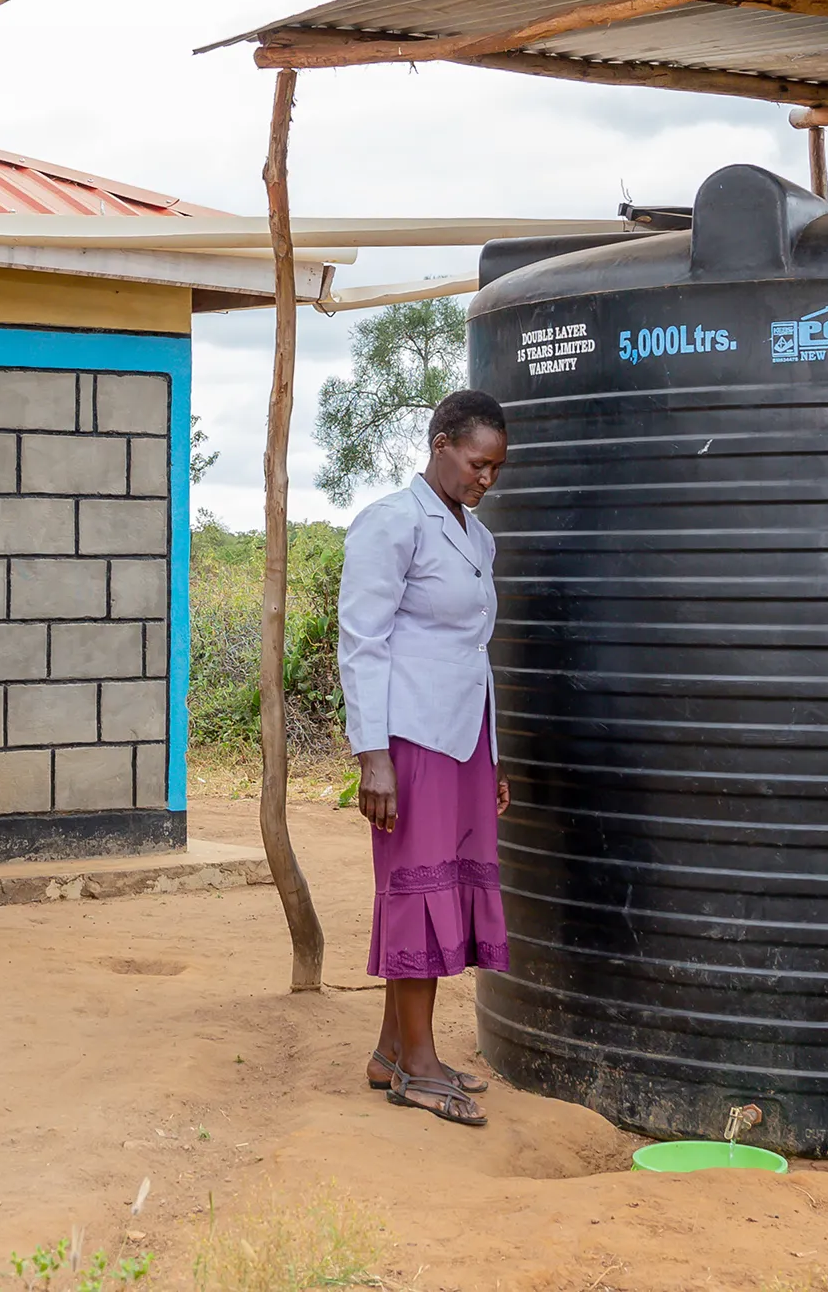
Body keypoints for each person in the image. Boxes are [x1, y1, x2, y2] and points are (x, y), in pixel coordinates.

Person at [336, 387, 512, 1129]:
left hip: (462, 735)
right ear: (441, 443)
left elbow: (474, 651)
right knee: (418, 891)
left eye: (497, 469)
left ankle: (391, 1054)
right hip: (408, 739)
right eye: (478, 463)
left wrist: (492, 754)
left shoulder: (476, 537)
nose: (486, 479)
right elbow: (362, 641)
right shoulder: (391, 524)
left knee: (444, 888)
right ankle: (419, 1064)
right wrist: (372, 756)